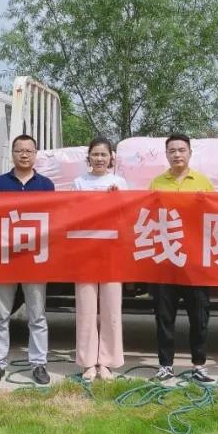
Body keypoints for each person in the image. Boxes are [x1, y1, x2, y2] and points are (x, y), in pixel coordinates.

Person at [0, 134, 56, 385]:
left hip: (34, 258)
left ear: (35, 154)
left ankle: (38, 364)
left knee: (37, 315)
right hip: (5, 258)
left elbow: (54, 220)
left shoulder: (46, 185)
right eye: (19, 150)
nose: (24, 154)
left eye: (29, 150)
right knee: (0, 314)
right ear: (12, 154)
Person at [149, 133, 216, 384]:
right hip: (165, 260)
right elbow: (147, 216)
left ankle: (199, 365)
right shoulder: (156, 183)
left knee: (199, 316)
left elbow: (215, 216)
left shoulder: (203, 182)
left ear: (190, 153)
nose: (177, 154)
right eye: (172, 150)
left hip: (195, 261)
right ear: (166, 154)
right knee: (164, 316)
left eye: (181, 150)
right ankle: (165, 365)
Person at [71, 137, 128, 381]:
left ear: (111, 158)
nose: (99, 159)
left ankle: (107, 362)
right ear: (89, 157)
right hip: (85, 252)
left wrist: (116, 199)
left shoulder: (119, 183)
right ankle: (87, 362)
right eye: (95, 154)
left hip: (111, 252)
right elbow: (72, 214)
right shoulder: (79, 182)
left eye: (104, 155)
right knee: (86, 309)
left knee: (111, 309)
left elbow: (126, 216)